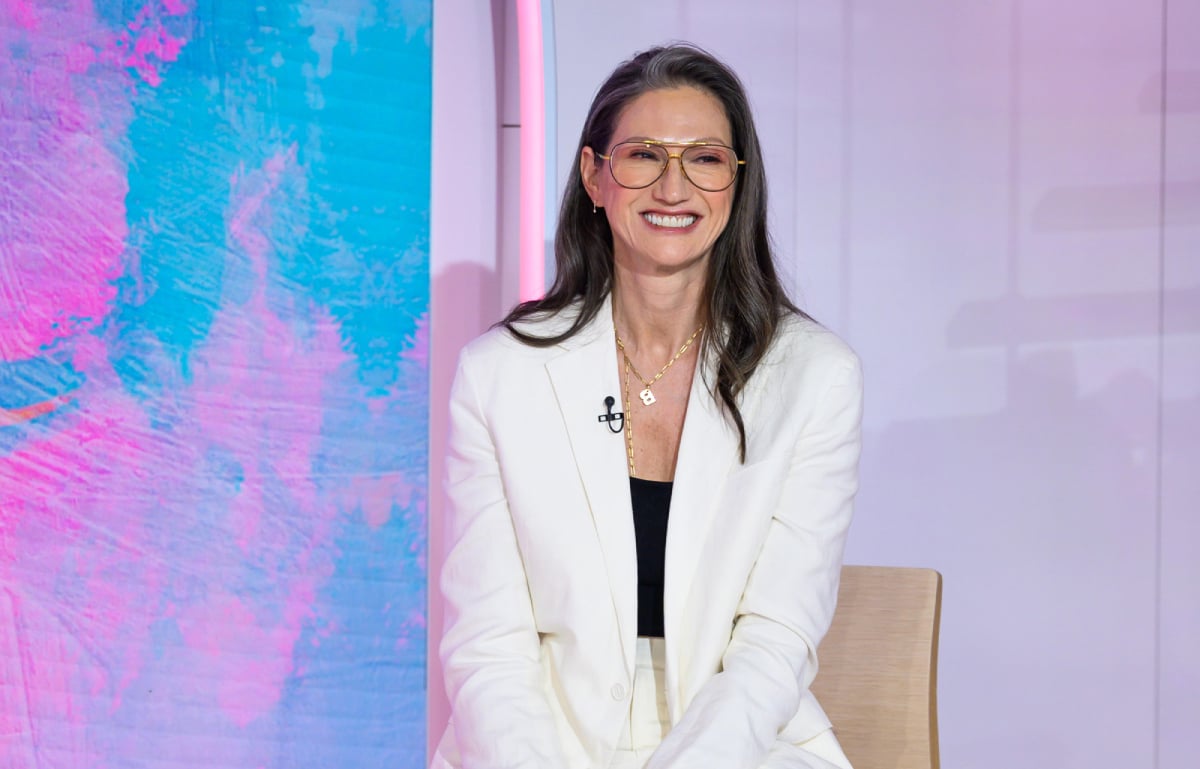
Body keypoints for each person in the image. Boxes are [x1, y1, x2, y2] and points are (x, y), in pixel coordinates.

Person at [434, 43, 863, 769]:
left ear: (736, 184)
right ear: (594, 177)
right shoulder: (499, 374)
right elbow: (488, 646)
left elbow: (774, 642)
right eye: (643, 156)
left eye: (705, 159)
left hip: (739, 738)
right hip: (541, 735)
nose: (674, 186)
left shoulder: (815, 377)